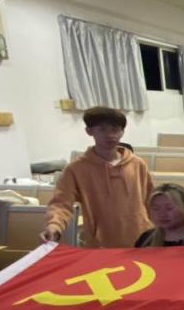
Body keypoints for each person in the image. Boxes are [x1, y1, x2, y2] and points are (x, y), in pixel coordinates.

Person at [42, 106, 153, 247]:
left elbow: (151, 199)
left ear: (122, 132)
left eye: (115, 129)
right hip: (101, 243)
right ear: (89, 131)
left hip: (141, 239)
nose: (110, 135)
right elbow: (61, 203)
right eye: (102, 129)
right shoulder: (76, 169)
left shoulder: (137, 164)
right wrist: (54, 225)